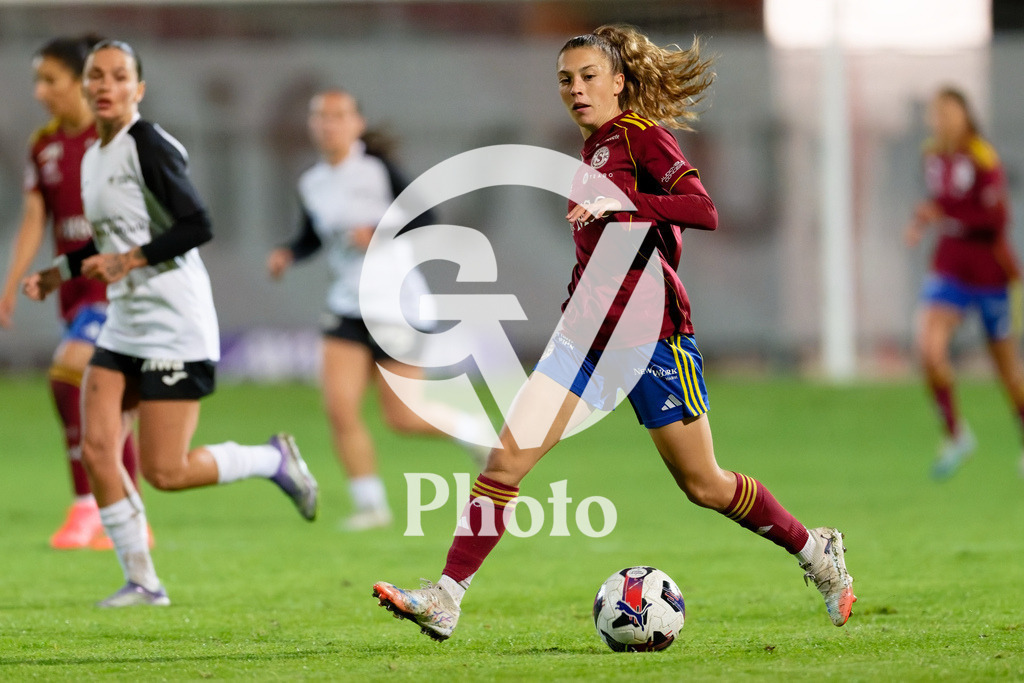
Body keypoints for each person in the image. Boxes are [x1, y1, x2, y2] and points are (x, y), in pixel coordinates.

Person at [372, 24, 855, 640]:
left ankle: (816, 551)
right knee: (505, 460)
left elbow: (703, 209)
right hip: (585, 341)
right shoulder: (592, 150)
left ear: (619, 81)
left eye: (588, 76)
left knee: (703, 484)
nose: (575, 89)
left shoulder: (641, 138)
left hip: (654, 339)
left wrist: (624, 203)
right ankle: (446, 596)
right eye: (565, 80)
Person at [22, 39, 319, 607]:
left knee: (167, 471)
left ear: (138, 89)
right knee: (98, 447)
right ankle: (143, 581)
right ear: (86, 88)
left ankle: (270, 459)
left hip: (174, 324)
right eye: (96, 76)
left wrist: (130, 260)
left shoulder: (148, 146)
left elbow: (197, 223)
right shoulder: (93, 156)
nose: (105, 85)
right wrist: (58, 273)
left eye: (118, 76)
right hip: (125, 322)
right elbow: (100, 239)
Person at [266, 89, 491, 532]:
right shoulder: (312, 181)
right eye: (320, 116)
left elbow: (428, 217)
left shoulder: (378, 170)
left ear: (357, 124)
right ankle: (370, 505)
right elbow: (313, 234)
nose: (328, 124)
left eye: (338, 116)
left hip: (398, 304)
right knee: (339, 409)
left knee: (404, 418)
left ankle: (477, 432)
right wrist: (289, 253)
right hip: (347, 306)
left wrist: (381, 232)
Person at [0, 34, 147, 550]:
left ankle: (89, 506)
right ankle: (128, 515)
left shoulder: (120, 141)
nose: (41, 91)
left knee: (69, 374)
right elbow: (37, 215)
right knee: (108, 406)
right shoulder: (43, 144)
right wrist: (12, 281)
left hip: (118, 289)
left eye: (50, 80)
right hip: (75, 289)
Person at [905, 87, 1024, 479]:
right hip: (950, 268)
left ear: (965, 115)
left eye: (949, 113)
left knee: (1007, 368)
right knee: (928, 346)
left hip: (989, 272)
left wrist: (948, 219)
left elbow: (996, 221)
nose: (942, 121)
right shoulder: (932, 156)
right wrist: (925, 219)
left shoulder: (982, 157)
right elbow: (942, 202)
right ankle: (956, 434)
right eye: (936, 114)